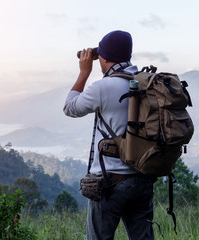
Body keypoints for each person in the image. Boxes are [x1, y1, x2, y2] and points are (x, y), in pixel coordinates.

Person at [63, 30, 156, 240]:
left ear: (103, 58)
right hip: (143, 178)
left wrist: (84, 72)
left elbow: (69, 108)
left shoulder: (103, 87)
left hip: (111, 182)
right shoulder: (146, 82)